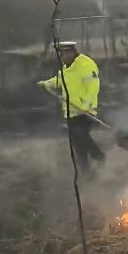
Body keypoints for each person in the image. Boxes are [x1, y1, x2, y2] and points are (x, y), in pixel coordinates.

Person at [37, 41, 105, 171]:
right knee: (77, 143)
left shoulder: (85, 65)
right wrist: (46, 84)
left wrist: (86, 106)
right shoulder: (66, 67)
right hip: (71, 111)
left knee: (81, 135)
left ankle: (99, 156)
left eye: (62, 54)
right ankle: (86, 171)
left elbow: (93, 88)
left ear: (71, 52)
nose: (60, 57)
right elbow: (60, 81)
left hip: (85, 110)